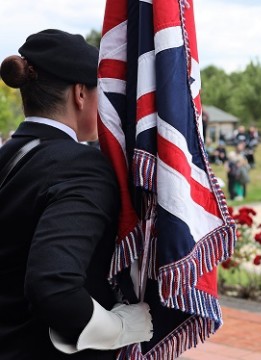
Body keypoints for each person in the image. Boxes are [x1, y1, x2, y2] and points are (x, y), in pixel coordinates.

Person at [0, 30, 153, 359]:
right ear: (81, 93)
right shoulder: (81, 166)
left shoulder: (9, 153)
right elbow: (52, 285)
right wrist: (119, 328)